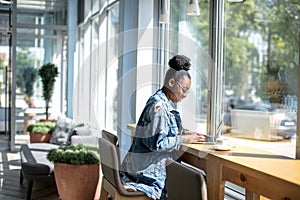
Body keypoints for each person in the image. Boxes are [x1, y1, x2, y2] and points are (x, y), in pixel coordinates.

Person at [120, 55, 207, 199]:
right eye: (184, 90)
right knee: (198, 183)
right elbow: (158, 143)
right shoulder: (159, 107)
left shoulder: (161, 101)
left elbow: (163, 130)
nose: (185, 95)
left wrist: (186, 133)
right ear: (172, 82)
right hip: (145, 176)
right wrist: (183, 139)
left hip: (139, 169)